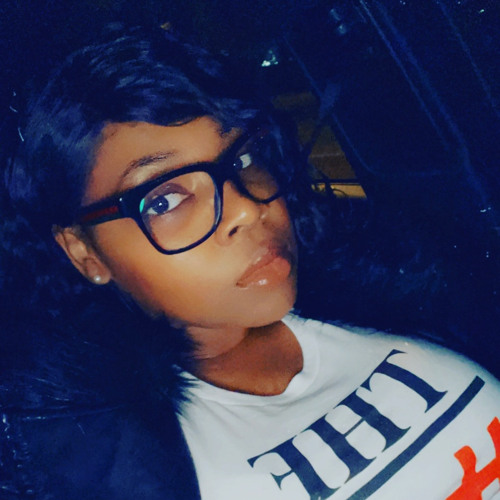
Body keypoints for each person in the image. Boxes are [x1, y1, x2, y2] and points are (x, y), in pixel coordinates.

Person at [1, 26, 499, 500]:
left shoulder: (394, 284)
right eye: (165, 200)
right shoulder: (89, 458)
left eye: (240, 160)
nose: (246, 208)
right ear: (84, 253)